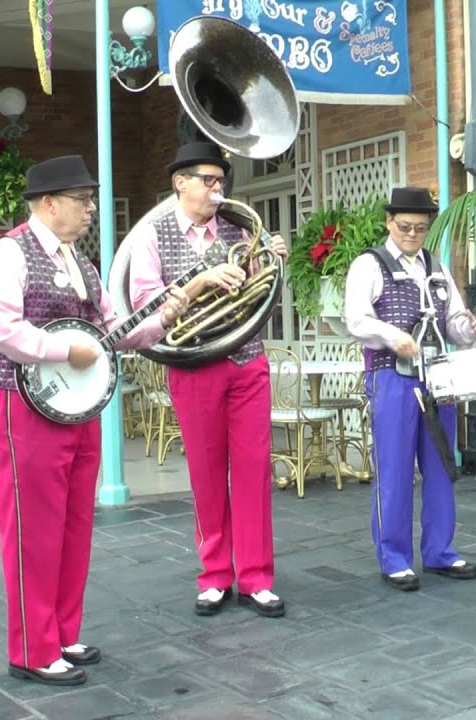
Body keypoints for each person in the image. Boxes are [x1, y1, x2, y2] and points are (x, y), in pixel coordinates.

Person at [0, 155, 187, 686]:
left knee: (73, 526)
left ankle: (61, 632)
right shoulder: (7, 254)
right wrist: (61, 349)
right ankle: (31, 647)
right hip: (19, 404)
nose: (91, 209)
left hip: (76, 409)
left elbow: (115, 331)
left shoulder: (84, 265)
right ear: (48, 204)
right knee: (32, 529)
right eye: (82, 200)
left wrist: (163, 316)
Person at [123, 141, 289, 618]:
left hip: (246, 359)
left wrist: (271, 259)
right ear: (180, 182)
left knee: (254, 468)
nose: (218, 190)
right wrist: (200, 282)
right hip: (193, 363)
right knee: (206, 472)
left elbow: (261, 295)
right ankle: (215, 574)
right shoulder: (151, 235)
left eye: (221, 182)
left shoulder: (239, 228)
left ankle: (256, 576)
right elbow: (145, 304)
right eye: (208, 181)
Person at [342, 186, 476, 592]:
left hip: (437, 377)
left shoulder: (437, 268)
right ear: (389, 222)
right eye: (404, 226)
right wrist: (391, 336)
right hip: (392, 376)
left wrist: (470, 329)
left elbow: (453, 322)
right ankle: (394, 557)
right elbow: (355, 319)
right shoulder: (369, 265)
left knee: (442, 464)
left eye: (420, 228)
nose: (411, 235)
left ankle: (440, 551)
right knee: (395, 469)